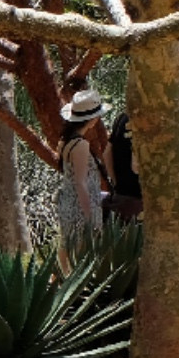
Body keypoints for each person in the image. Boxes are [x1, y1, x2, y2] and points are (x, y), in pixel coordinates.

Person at [55, 88, 110, 248]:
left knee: (67, 253)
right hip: (80, 208)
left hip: (69, 203)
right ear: (92, 119)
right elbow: (81, 182)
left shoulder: (66, 141)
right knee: (80, 254)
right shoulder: (81, 145)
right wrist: (89, 216)